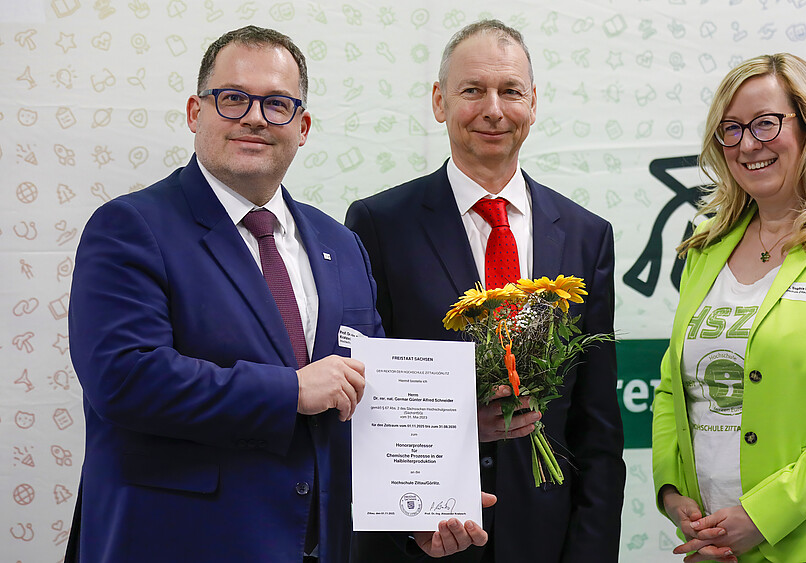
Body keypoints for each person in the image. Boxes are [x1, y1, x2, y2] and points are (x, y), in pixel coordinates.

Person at [67, 25, 489, 563]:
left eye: (277, 104)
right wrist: (289, 390)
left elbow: (368, 400)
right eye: (233, 98)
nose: (254, 117)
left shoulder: (342, 245)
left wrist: (414, 512)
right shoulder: (131, 226)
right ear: (196, 112)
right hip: (178, 544)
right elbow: (124, 378)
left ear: (302, 126)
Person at [346, 19, 625, 563]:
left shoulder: (586, 235)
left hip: (547, 538)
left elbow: (597, 424)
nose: (493, 110)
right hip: (424, 536)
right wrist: (404, 530)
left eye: (510, 91)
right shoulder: (378, 225)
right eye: (472, 90)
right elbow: (368, 402)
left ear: (533, 103)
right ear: (440, 101)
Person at [651, 53, 806, 562]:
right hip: (711, 541)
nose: (748, 144)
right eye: (731, 129)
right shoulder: (705, 246)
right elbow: (671, 387)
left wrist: (761, 517)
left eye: (766, 123)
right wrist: (672, 493)